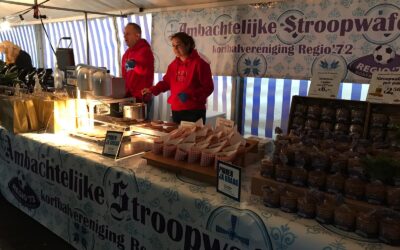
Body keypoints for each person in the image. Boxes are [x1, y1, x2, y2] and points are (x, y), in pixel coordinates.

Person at [142, 32, 214, 124]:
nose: (175, 48)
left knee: (194, 137)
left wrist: (191, 95)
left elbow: (208, 87)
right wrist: (151, 90)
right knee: (178, 138)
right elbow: (166, 83)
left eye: (178, 45)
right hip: (176, 109)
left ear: (188, 45)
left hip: (194, 110)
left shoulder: (200, 64)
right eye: (173, 45)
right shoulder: (172, 66)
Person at [121, 23, 154, 119]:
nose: (125, 37)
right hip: (128, 97)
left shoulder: (145, 50)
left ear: (137, 36)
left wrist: (134, 65)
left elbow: (145, 72)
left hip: (141, 98)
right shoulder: (126, 53)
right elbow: (124, 75)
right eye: (124, 34)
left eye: (128, 34)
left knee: (141, 128)